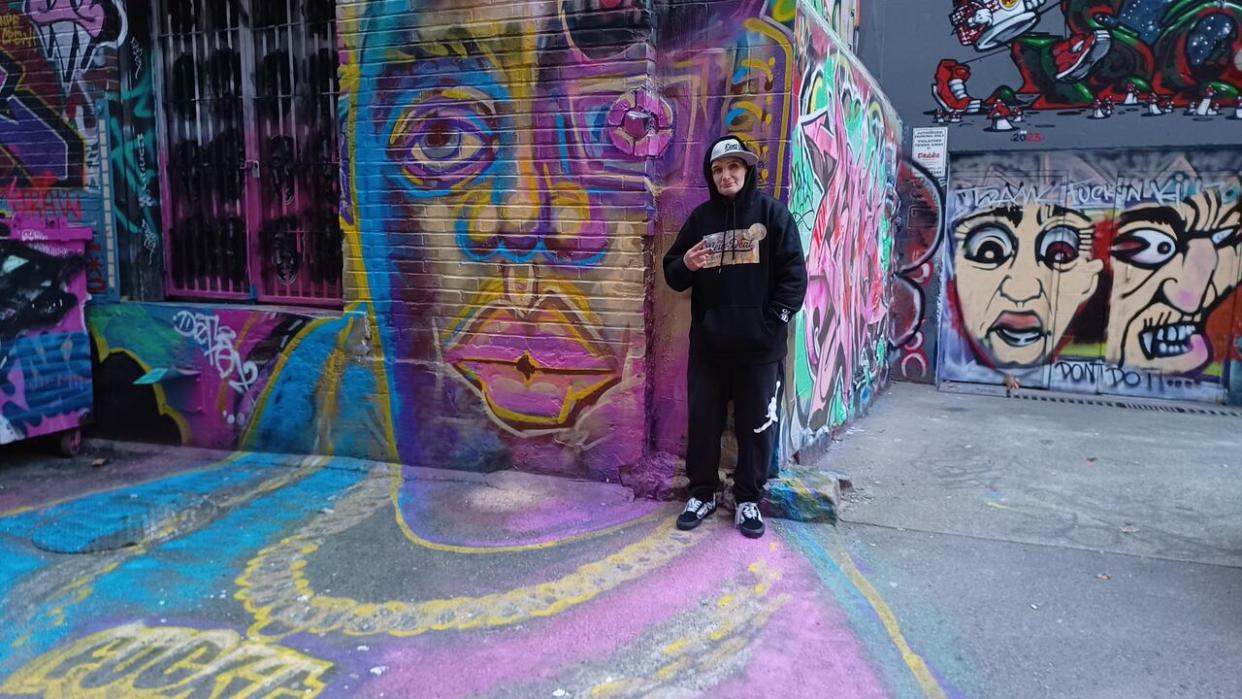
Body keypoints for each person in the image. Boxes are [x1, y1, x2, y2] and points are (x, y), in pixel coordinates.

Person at [662, 135, 807, 538]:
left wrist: (770, 324)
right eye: (718, 170)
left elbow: (794, 278)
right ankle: (703, 492)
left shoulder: (773, 215)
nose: (726, 176)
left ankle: (747, 499)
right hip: (709, 348)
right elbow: (672, 273)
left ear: (747, 171)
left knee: (756, 427)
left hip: (760, 350)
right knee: (704, 424)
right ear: (712, 176)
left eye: (734, 168)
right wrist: (685, 264)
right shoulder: (700, 220)